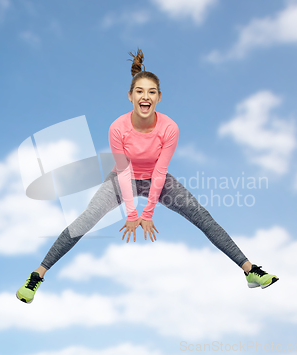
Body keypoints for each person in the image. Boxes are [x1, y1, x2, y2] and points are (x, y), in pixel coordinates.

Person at [16, 49, 278, 304]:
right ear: (130, 96)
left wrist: (148, 212)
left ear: (159, 98)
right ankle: (36, 275)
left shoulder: (169, 128)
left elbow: (161, 171)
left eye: (151, 92)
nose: (145, 97)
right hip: (121, 179)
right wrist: (132, 214)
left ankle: (250, 270)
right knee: (86, 219)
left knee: (201, 215)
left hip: (157, 178)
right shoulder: (118, 128)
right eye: (140, 91)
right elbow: (124, 171)